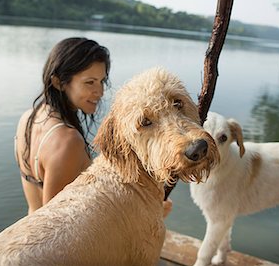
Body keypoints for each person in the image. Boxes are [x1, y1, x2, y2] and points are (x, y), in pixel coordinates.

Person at [14, 37, 172, 217]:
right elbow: (54, 220)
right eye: (90, 82)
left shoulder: (28, 117)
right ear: (59, 82)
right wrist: (149, 212)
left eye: (101, 81)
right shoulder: (67, 141)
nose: (100, 91)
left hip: (29, 224)